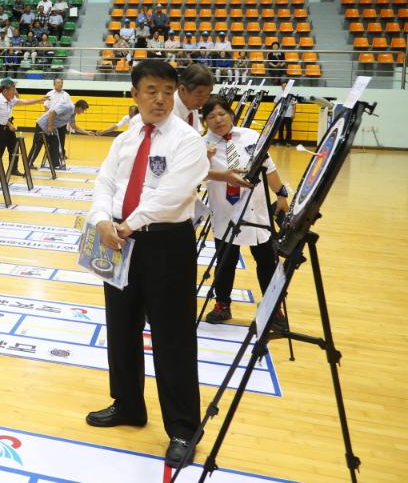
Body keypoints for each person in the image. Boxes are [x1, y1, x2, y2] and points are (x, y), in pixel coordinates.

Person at [85, 59, 209, 470]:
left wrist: (126, 224)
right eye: (152, 90)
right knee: (120, 326)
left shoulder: (187, 139)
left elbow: (172, 195)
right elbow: (104, 181)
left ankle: (183, 429)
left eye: (168, 91)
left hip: (164, 245)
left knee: (172, 337)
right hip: (117, 240)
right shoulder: (126, 137)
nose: (160, 99)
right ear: (134, 94)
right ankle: (128, 404)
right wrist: (103, 220)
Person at [202, 95, 290, 326]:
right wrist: (204, 159)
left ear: (231, 115)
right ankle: (222, 305)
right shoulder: (202, 145)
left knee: (267, 262)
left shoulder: (251, 136)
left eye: (222, 114)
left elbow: (269, 168)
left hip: (257, 211)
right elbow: (194, 177)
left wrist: (281, 194)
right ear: (205, 122)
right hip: (225, 212)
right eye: (211, 116)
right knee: (225, 263)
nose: (218, 120)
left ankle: (274, 308)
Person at [0, 78, 46, 181]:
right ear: (5, 90)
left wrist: (40, 100)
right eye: (13, 89)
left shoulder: (10, 100)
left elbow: (25, 102)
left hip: (4, 127)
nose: (15, 92)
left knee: (13, 148)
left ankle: (12, 169)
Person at [29, 99, 92, 170]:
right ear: (80, 107)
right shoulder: (67, 107)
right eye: (83, 110)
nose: (83, 112)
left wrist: (86, 132)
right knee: (37, 145)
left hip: (52, 127)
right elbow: (52, 113)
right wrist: (50, 126)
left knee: (55, 143)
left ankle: (54, 165)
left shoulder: (73, 113)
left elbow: (73, 126)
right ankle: (29, 163)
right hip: (42, 125)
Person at [174, 63, 214, 130]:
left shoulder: (191, 105)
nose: (204, 101)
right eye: (199, 95)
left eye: (207, 94)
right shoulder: (167, 112)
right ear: (182, 90)